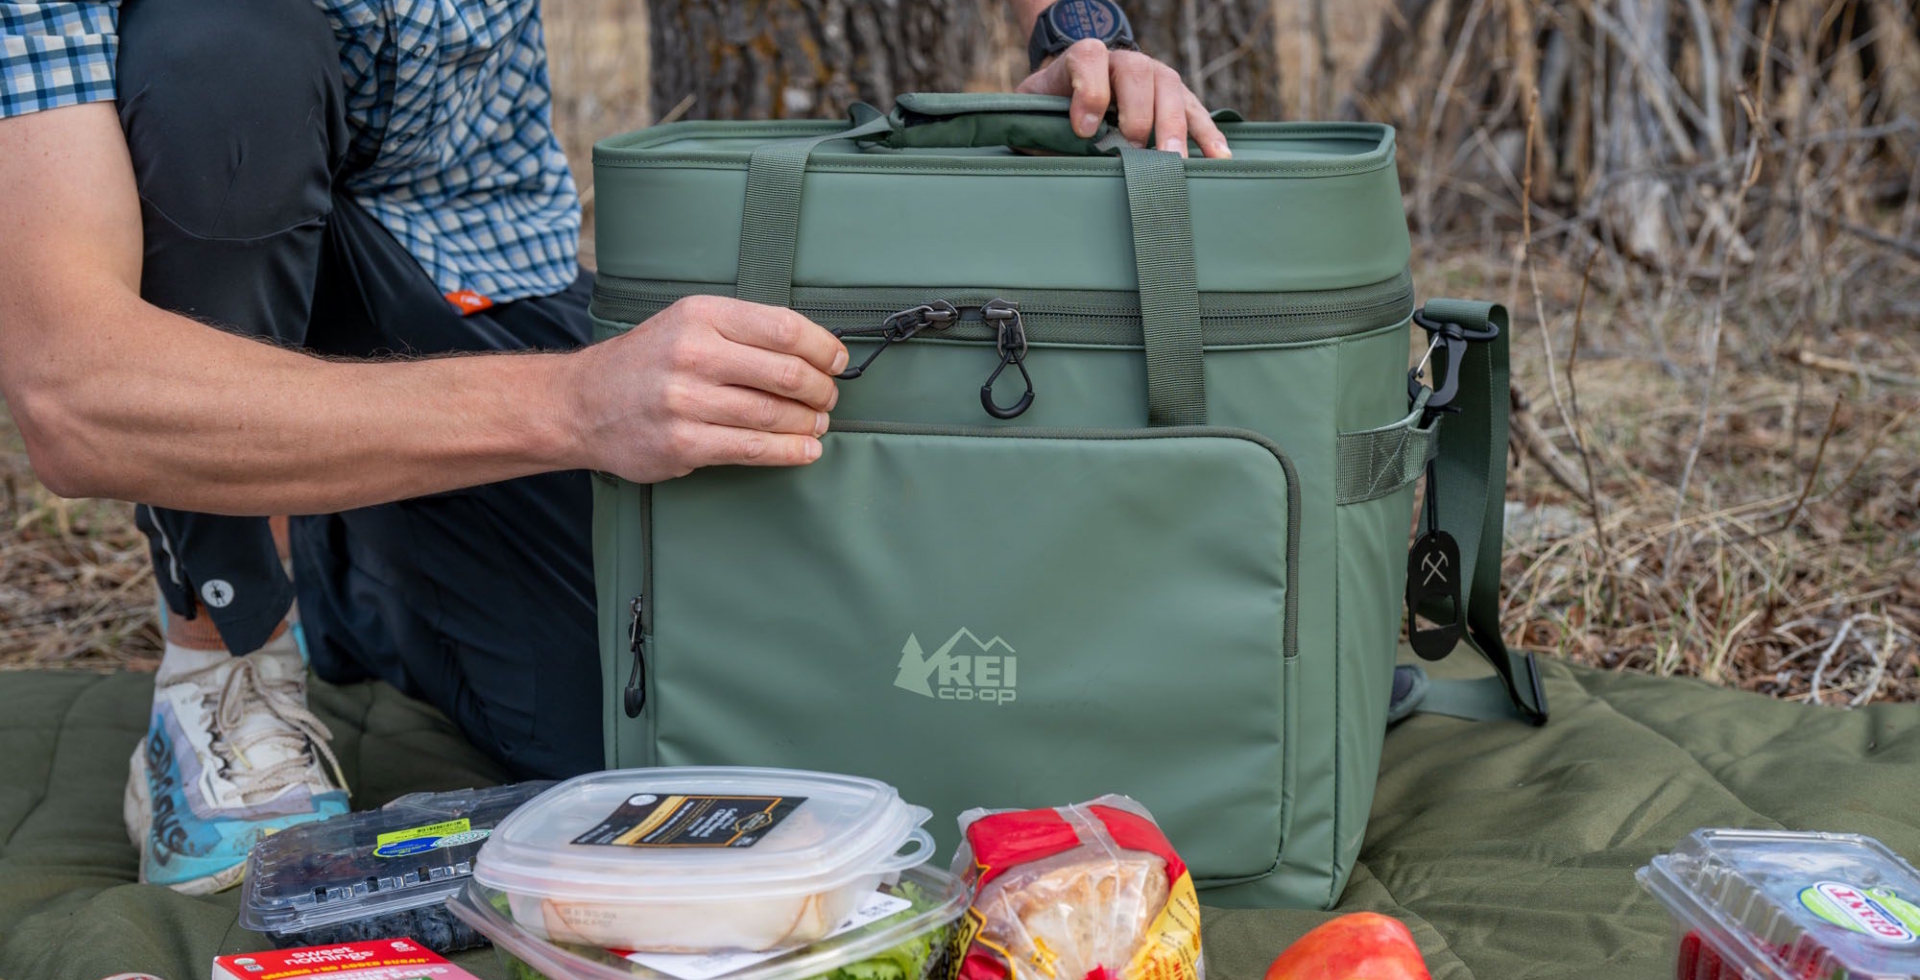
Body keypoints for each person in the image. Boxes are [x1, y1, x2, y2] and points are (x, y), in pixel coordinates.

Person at [0, 0, 1227, 895]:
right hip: (210, 272)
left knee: (727, 733)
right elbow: (73, 397)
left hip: (477, 275)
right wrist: (581, 405)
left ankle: (354, 563)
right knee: (220, 49)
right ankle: (225, 659)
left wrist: (1075, 34)